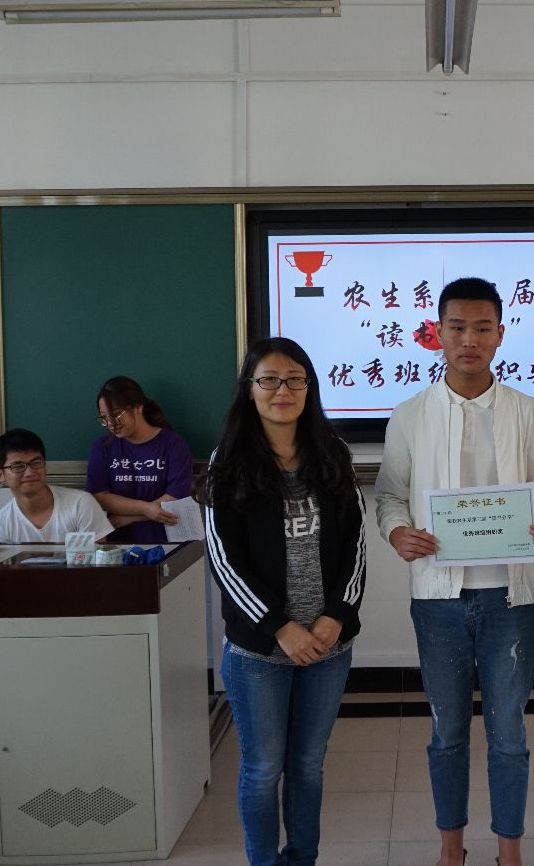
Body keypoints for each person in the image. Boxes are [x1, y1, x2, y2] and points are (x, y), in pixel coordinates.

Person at [373, 277, 534, 866]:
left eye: (483, 328)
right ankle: (450, 850)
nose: (470, 340)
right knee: (447, 732)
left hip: (510, 597)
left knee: (509, 736)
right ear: (438, 333)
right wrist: (397, 532)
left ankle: (510, 852)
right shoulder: (410, 414)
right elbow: (390, 495)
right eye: (457, 327)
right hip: (438, 598)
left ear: (501, 334)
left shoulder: (526, 411)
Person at [202, 337, 366, 866]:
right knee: (262, 769)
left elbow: (356, 544)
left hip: (327, 645)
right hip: (258, 652)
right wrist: (280, 626)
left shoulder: (332, 453)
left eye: (295, 379)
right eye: (269, 380)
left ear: (309, 388)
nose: (283, 390)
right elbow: (224, 560)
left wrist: (336, 615)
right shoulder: (227, 462)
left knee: (308, 766)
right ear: (249, 390)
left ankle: (302, 858)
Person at [86, 376, 195, 545]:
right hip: (116, 543)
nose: (110, 423)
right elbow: (99, 496)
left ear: (138, 407)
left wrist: (132, 517)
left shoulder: (173, 444)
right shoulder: (103, 447)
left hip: (165, 541)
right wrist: (145, 509)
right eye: (104, 418)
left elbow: (175, 497)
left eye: (116, 415)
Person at [0, 427, 114, 543]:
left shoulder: (81, 504)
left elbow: (98, 558)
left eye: (36, 463)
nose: (30, 472)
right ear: (0, 475)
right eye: (18, 466)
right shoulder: (0, 525)